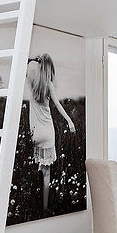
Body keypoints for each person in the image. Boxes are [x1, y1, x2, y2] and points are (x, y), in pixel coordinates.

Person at [25, 54, 75, 213]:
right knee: (47, 173)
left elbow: (26, 64)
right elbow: (58, 105)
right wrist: (69, 120)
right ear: (50, 68)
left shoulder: (32, 80)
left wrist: (34, 59)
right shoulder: (49, 85)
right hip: (47, 132)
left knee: (36, 165)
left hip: (34, 133)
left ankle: (31, 197)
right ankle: (44, 207)